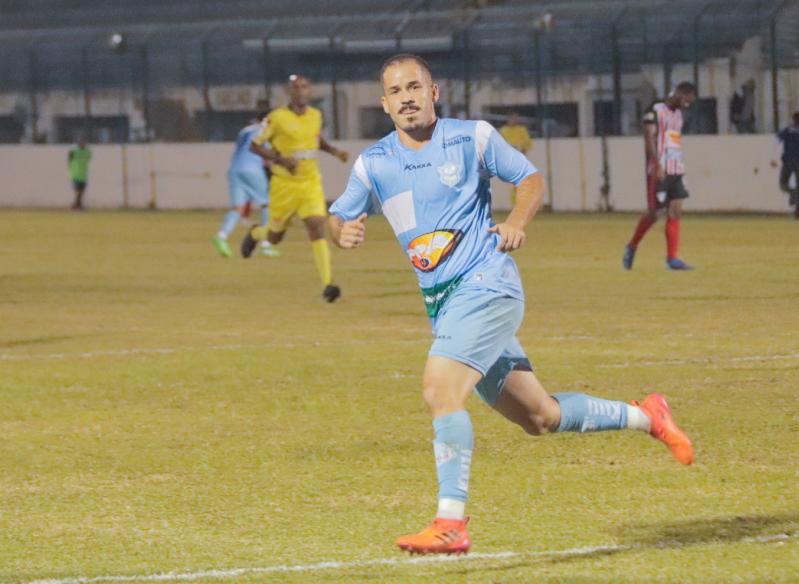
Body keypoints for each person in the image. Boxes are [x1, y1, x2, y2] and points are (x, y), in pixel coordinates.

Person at [329, 54, 694, 555]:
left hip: (487, 285)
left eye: (416, 86)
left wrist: (518, 220)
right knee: (539, 417)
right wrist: (342, 230)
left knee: (441, 388)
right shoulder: (373, 164)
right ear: (385, 103)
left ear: (435, 92)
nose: (407, 97)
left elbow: (530, 180)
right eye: (396, 91)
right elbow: (339, 215)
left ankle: (450, 522)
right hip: (446, 305)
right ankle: (648, 416)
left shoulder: (472, 137)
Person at [244, 74, 349, 303]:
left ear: (309, 91)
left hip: (310, 183)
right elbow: (254, 145)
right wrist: (281, 160)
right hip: (284, 185)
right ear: (289, 92)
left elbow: (316, 139)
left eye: (304, 87)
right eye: (296, 88)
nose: (301, 91)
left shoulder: (315, 116)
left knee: (315, 225)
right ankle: (256, 234)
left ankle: (328, 284)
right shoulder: (277, 118)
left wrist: (334, 152)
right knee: (274, 236)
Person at [623, 82, 697, 271]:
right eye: (686, 100)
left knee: (676, 209)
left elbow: (673, 141)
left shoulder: (679, 115)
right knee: (655, 214)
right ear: (680, 93)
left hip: (676, 169)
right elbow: (649, 138)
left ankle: (672, 259)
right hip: (659, 170)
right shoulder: (655, 110)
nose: (686, 105)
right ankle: (632, 245)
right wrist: (657, 164)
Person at [211, 112, 277, 258]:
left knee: (238, 208)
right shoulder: (266, 131)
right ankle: (266, 244)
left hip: (234, 169)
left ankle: (221, 236)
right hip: (252, 169)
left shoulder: (245, 130)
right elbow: (265, 154)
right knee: (268, 205)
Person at [499, 112, 533, 206]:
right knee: (514, 184)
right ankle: (515, 206)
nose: (514, 120)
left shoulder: (522, 130)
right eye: (512, 118)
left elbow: (527, 144)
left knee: (521, 183)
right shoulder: (504, 130)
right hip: (509, 161)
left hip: (520, 161)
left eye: (516, 118)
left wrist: (522, 153)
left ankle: (522, 205)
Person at [772, 111, 799, 219]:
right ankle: (797, 210)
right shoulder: (788, 130)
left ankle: (793, 194)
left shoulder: (788, 130)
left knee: (783, 184)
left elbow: (776, 141)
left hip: (788, 162)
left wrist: (773, 157)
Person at [68, 137, 91, 210]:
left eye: (84, 142)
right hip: (76, 174)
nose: (83, 143)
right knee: (77, 191)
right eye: (81, 142)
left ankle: (77, 205)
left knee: (82, 191)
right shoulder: (74, 151)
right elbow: (69, 159)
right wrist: (70, 168)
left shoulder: (87, 151)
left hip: (83, 175)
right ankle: (76, 205)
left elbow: (88, 159)